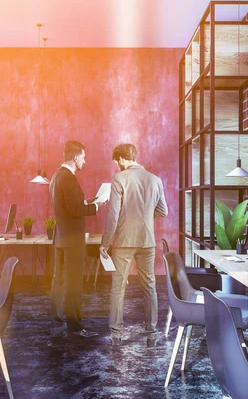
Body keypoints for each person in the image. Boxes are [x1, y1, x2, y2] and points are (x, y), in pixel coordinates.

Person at [99, 143, 168, 346]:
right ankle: (151, 331)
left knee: (118, 287)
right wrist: (144, 217)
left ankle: (117, 334)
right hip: (147, 240)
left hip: (123, 241)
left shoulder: (119, 178)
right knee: (150, 286)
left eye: (116, 162)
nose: (116, 165)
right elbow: (163, 211)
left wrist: (105, 242)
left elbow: (113, 216)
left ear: (120, 159)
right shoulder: (156, 180)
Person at [50, 140, 105, 339]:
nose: (85, 160)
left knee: (58, 281)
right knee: (74, 283)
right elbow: (75, 210)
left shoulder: (57, 176)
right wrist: (96, 207)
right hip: (73, 239)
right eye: (83, 156)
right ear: (75, 157)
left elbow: (69, 205)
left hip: (61, 237)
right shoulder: (69, 178)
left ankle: (57, 323)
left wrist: (86, 202)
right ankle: (75, 326)